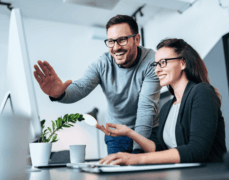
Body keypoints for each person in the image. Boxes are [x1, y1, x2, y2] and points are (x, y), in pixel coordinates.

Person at [33, 15, 161, 154]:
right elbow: (82, 87)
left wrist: (138, 154)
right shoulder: (102, 64)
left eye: (122, 40)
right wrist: (60, 94)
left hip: (147, 130)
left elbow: (146, 109)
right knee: (117, 175)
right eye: (111, 41)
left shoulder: (152, 62)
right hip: (116, 132)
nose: (116, 47)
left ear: (137, 39)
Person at [96, 38, 227, 165]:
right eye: (156, 64)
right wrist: (129, 132)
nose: (157, 70)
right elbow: (161, 150)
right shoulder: (167, 107)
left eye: (163, 62)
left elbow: (197, 150)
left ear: (183, 63)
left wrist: (137, 159)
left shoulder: (202, 92)